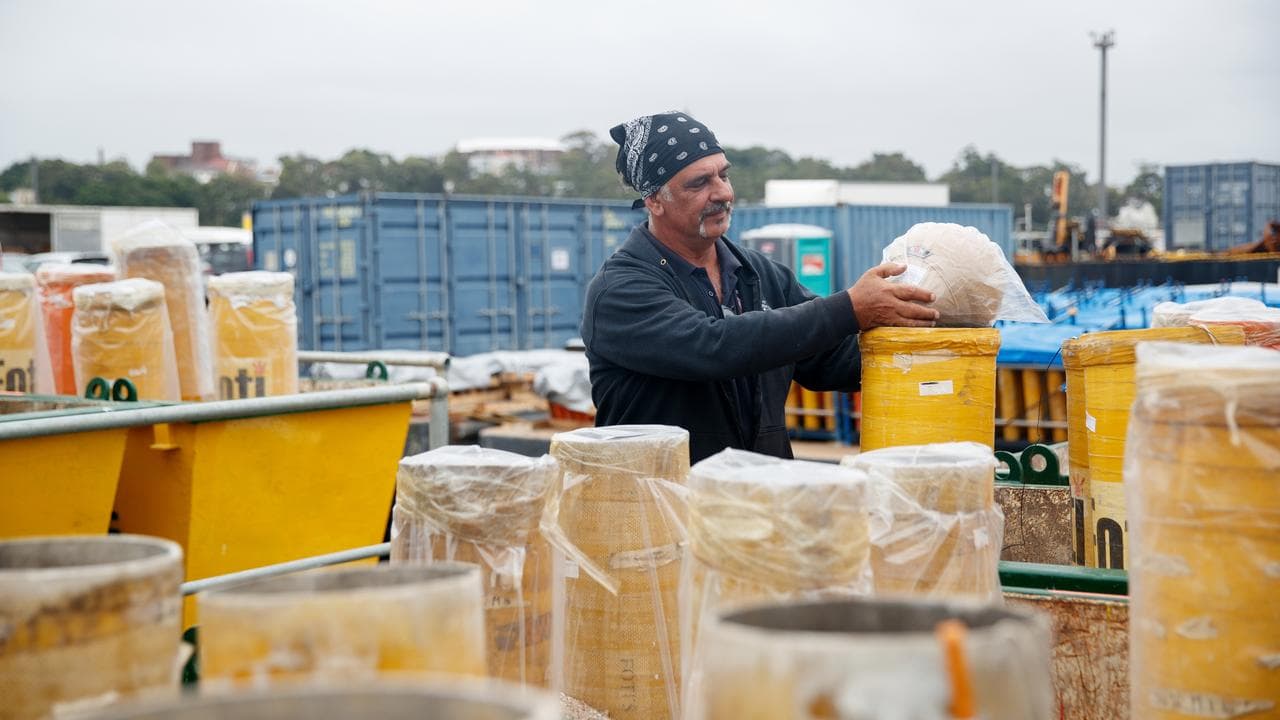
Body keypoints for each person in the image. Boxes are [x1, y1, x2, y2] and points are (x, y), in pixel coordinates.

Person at [581, 111, 940, 463]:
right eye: (699, 183)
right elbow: (714, 347)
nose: (722, 193)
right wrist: (849, 308)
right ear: (654, 200)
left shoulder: (759, 275)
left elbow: (833, 360)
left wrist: (935, 324)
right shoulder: (620, 289)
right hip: (662, 511)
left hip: (760, 506)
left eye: (724, 175)